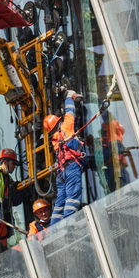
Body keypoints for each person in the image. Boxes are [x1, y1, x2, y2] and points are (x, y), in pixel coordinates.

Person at [44, 91, 86, 224]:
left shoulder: (54, 140)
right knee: (72, 197)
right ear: (58, 122)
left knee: (60, 202)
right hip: (72, 167)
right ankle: (69, 224)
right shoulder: (66, 127)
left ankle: (54, 226)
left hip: (61, 173)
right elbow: (70, 111)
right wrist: (69, 96)